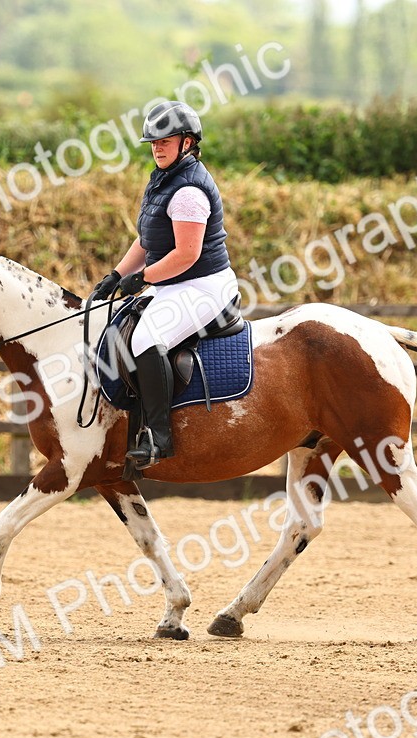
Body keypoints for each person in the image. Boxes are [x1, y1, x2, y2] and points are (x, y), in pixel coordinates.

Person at [90, 100, 239, 469]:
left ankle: (159, 436)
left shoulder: (189, 190)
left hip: (204, 285)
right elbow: (148, 240)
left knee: (144, 339)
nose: (157, 147)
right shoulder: (162, 180)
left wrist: (141, 279)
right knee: (120, 321)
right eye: (153, 142)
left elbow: (186, 254)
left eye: (165, 141)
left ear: (187, 143)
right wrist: (116, 275)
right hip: (176, 282)